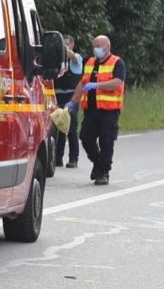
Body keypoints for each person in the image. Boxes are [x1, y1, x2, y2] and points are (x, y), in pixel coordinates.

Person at [75, 33, 127, 185]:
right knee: (86, 139)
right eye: (94, 46)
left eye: (98, 46)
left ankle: (103, 172)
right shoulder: (89, 62)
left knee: (106, 141)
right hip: (91, 110)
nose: (95, 49)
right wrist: (72, 103)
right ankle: (98, 164)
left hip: (109, 111)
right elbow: (82, 84)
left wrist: (98, 85)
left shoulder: (117, 62)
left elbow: (117, 82)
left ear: (107, 47)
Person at [53, 43, 84, 168]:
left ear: (72, 44)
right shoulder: (56, 60)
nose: (64, 46)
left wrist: (61, 47)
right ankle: (58, 158)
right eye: (62, 43)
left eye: (67, 43)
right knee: (59, 128)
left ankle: (73, 159)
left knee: (71, 129)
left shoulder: (76, 59)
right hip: (57, 95)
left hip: (71, 96)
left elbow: (72, 55)